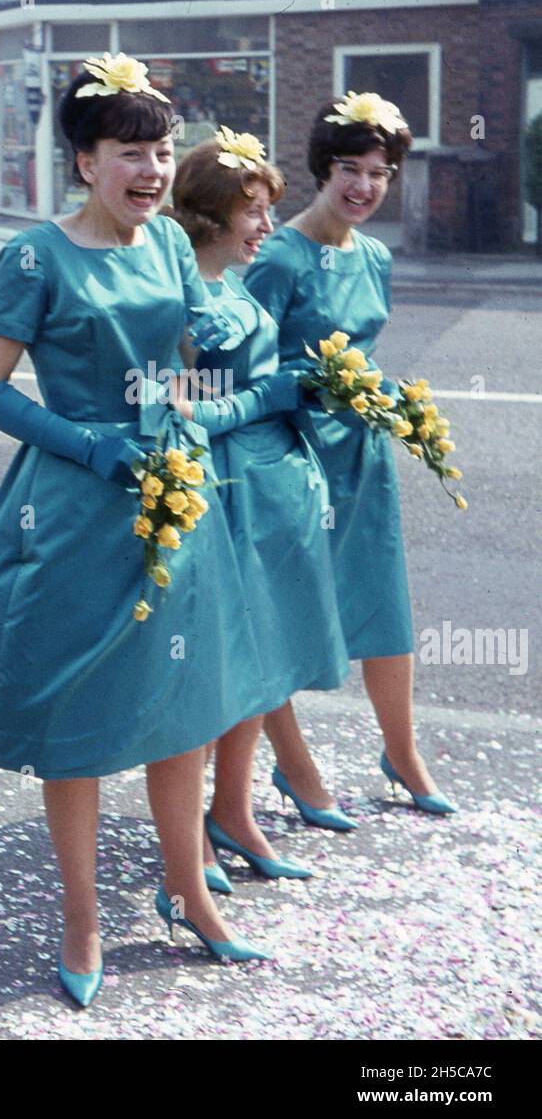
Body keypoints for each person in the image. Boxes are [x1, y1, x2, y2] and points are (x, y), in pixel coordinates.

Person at [0, 53, 300, 1009]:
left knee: (180, 704)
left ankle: (188, 888)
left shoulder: (161, 247)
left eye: (160, 151)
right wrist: (89, 445)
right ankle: (81, 915)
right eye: (128, 153)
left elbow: (190, 355)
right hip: (73, 504)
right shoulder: (35, 255)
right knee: (76, 719)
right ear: (84, 161)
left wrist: (226, 345)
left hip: (172, 492)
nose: (151, 171)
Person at [244, 93, 457, 823]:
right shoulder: (277, 257)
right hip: (292, 454)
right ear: (320, 168)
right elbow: (242, 369)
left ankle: (402, 752)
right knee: (278, 617)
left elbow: (363, 355)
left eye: (380, 171)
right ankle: (295, 768)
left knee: (385, 609)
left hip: (362, 458)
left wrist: (393, 403)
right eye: (349, 168)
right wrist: (314, 385)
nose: (364, 186)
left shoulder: (375, 255)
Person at [167, 127, 355, 887]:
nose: (269, 228)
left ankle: (234, 810)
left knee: (264, 654)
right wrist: (260, 396)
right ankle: (194, 834)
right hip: (219, 491)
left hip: (270, 489)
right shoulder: (182, 299)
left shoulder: (240, 284)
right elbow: (179, 409)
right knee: (217, 662)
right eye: (255, 213)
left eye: (272, 212)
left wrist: (304, 389)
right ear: (212, 214)